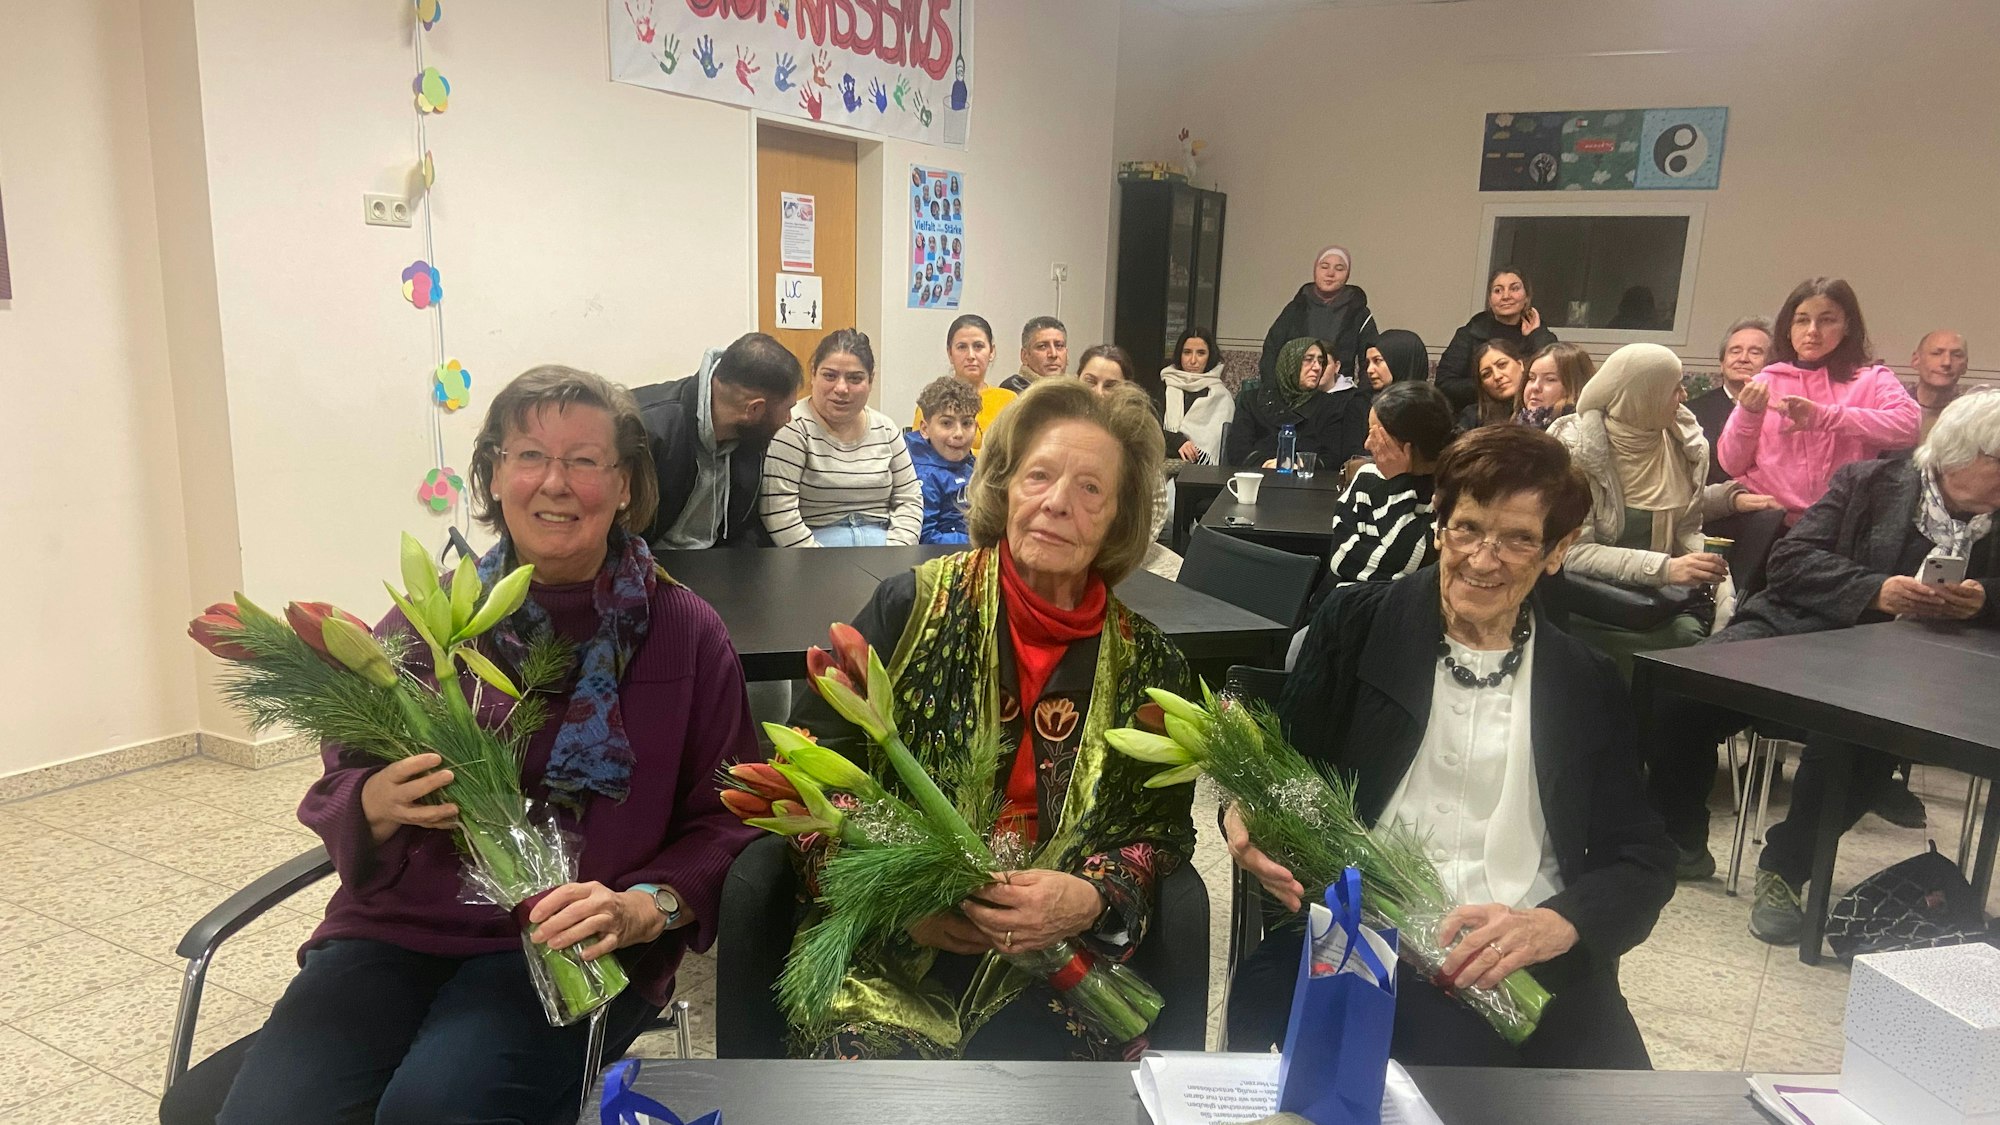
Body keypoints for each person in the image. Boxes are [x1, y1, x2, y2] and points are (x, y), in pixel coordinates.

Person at [162, 366, 759, 1125]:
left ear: (626, 486)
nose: (555, 482)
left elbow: (729, 812)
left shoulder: (685, 630)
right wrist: (374, 803)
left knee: (433, 1110)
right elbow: (345, 775)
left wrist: (648, 906)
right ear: (493, 476)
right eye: (528, 456)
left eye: (584, 460)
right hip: (397, 930)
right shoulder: (429, 623)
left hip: (569, 944)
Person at [1228, 425, 1674, 1068]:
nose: (1484, 558)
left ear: (1558, 550)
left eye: (1519, 538)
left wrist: (1558, 923)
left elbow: (1643, 855)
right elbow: (1281, 777)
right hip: (1378, 947)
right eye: (1467, 528)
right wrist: (1241, 814)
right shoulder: (1356, 625)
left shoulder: (1585, 678)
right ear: (1440, 527)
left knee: (1618, 1105)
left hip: (1533, 950)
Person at [789, 378, 1196, 1060]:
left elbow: (1158, 831)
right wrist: (899, 899)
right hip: (894, 948)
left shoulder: (1152, 662)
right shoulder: (910, 607)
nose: (1058, 502)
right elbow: (807, 770)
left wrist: (1089, 897)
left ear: (1119, 518)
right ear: (1006, 487)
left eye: (1091, 489)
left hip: (1059, 960)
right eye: (1039, 474)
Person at [1644, 392, 2000, 931]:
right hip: (1796, 633)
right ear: (1960, 454)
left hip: (1913, 670)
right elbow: (1790, 560)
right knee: (1682, 688)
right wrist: (1876, 590)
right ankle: (1678, 840)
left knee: (1858, 736)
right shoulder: (1868, 482)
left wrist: (1984, 599)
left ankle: (1784, 868)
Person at [1546, 344, 1741, 678]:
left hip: (1657, 603)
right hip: (1586, 604)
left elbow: (1686, 531)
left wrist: (1720, 583)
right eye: (1673, 388)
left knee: (1693, 648)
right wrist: (1663, 568)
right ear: (1640, 394)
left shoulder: (1684, 443)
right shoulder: (1574, 450)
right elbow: (1568, 553)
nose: (1682, 396)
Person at [1718, 278, 1921, 521]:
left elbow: (1909, 427)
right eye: (1802, 320)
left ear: (1847, 326)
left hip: (1842, 521)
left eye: (1826, 320)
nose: (1812, 331)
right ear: (1788, 328)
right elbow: (1731, 464)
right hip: (1769, 522)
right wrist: (1748, 414)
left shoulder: (1872, 378)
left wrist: (1824, 417)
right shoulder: (1766, 380)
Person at [635, 332, 801, 550]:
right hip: (646, 567)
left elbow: (746, 529)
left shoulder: (752, 434)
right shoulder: (646, 429)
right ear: (754, 409)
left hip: (721, 565)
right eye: (787, 409)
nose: (789, 419)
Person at [761, 329, 923, 547]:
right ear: (813, 374)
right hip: (817, 551)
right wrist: (815, 559)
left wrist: (897, 551)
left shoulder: (886, 429)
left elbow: (910, 498)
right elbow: (778, 510)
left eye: (855, 378)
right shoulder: (792, 427)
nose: (841, 388)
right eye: (830, 376)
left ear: (871, 380)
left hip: (884, 545)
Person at [1324, 381, 1455, 589]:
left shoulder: (1452, 491)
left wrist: (1396, 482)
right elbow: (1341, 558)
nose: (1367, 444)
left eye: (1376, 435)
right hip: (1345, 603)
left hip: (1407, 610)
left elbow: (1416, 558)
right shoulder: (1367, 477)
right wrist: (1400, 571)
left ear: (1407, 445)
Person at [1078, 344, 1184, 579]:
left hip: (1126, 549)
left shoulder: (1139, 433)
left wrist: (1127, 553)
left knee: (1183, 575)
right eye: (1090, 381)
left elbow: (1155, 506)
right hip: (1070, 544)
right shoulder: (1056, 426)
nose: (1098, 392)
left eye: (1110, 385)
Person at [1227, 337, 1368, 468]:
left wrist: (1299, 464)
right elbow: (1237, 450)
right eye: (1308, 359)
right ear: (1290, 363)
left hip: (1306, 486)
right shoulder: (1252, 401)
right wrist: (1267, 464)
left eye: (1321, 361)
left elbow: (1332, 458)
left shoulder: (1329, 406)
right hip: (1255, 480)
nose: (1317, 367)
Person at [1435, 268, 1559, 413]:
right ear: (1490, 300)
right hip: (1480, 414)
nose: (1506, 296)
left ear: (1527, 297)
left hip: (1530, 414)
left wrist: (1537, 335)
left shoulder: (1540, 335)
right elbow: (1444, 384)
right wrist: (1491, 386)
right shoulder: (1470, 333)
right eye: (1498, 291)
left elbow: (1555, 377)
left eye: (1514, 288)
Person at [1258, 245, 1378, 390]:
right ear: (1315, 269)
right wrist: (1273, 389)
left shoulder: (1359, 312)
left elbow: (1371, 359)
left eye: (1339, 269)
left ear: (1347, 275)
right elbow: (1271, 350)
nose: (1330, 273)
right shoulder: (1296, 307)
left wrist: (1361, 397)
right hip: (1294, 392)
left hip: (1338, 395)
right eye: (1324, 266)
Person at [1688, 318, 1774, 485]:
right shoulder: (1692, 413)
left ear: (1773, 364)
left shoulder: (1783, 411)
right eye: (1735, 351)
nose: (1743, 358)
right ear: (1722, 363)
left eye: (1755, 352)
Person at [914, 314, 1017, 452]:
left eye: (978, 346)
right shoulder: (933, 401)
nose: (971, 356)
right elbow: (920, 454)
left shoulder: (1009, 400)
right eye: (962, 347)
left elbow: (1018, 452)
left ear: (991, 352)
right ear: (950, 353)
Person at [907, 376, 980, 545]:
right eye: (947, 423)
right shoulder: (924, 475)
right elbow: (925, 537)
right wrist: (978, 541)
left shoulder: (973, 465)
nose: (959, 433)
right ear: (925, 429)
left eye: (967, 423)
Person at [1160, 327, 1234, 464]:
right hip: (1161, 467)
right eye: (1187, 352)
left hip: (1201, 473)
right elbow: (1150, 429)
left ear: (1210, 356)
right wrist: (1177, 441)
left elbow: (1220, 445)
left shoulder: (1221, 397)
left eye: (1201, 353)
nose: (1193, 360)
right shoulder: (1163, 387)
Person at [1515, 342, 1594, 430]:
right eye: (1531, 378)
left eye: (1550, 379)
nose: (1535, 387)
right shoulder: (1520, 422)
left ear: (1575, 386)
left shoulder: (1573, 431)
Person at [1458, 338, 1527, 431]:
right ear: (1482, 384)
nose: (1497, 376)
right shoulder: (1472, 418)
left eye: (1502, 365)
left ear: (1520, 364)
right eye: (1487, 374)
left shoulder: (1541, 409)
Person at [1913, 329, 1970, 442]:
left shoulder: (1971, 414)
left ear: (1965, 366)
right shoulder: (1893, 407)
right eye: (1936, 353)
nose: (1946, 362)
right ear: (1916, 360)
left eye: (1957, 355)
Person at [1001, 315, 1068, 393]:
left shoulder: (1075, 394)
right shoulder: (1012, 394)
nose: (1053, 354)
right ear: (1024, 356)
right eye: (1042, 346)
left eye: (1059, 346)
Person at [1362, 329, 1431, 393]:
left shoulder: (1431, 404)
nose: (1369, 370)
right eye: (1368, 363)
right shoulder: (1363, 402)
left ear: (1400, 363)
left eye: (1377, 360)